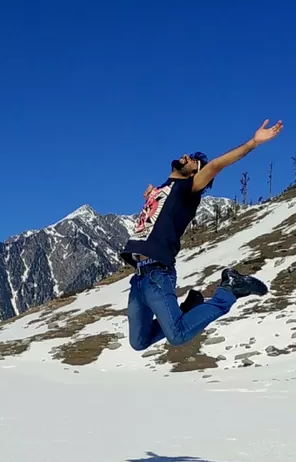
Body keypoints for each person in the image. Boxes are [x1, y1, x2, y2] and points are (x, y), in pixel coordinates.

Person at [120, 119, 284, 351]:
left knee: (177, 335)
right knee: (139, 342)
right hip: (139, 277)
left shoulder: (188, 190)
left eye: (193, 161)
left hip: (158, 274)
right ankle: (188, 309)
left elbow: (217, 165)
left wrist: (252, 143)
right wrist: (150, 194)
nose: (186, 156)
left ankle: (228, 291)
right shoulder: (162, 189)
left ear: (195, 174)